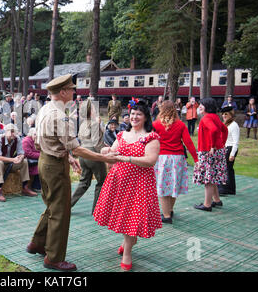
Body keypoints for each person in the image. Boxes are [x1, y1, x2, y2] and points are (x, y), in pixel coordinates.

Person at [27, 74, 121, 272]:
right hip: (54, 166)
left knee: (52, 206)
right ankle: (53, 258)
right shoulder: (60, 115)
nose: (74, 92)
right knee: (61, 212)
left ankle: (37, 242)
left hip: (46, 160)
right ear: (62, 92)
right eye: (71, 89)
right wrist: (105, 159)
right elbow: (76, 148)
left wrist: (67, 157)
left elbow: (41, 141)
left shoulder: (44, 109)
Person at [93, 100, 162, 271]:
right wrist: (106, 151)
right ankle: (128, 242)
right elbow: (113, 151)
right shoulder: (122, 135)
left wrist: (126, 159)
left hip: (140, 184)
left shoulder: (151, 137)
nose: (134, 117)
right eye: (132, 113)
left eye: (138, 114)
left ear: (145, 117)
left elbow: (150, 161)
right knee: (124, 218)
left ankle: (127, 252)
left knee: (134, 218)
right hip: (119, 183)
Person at [152, 101, 198, 223]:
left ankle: (166, 215)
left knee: (162, 187)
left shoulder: (156, 124)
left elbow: (150, 141)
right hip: (178, 158)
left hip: (162, 158)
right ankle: (170, 210)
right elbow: (188, 143)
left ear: (162, 110)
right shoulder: (181, 125)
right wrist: (196, 159)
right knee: (174, 186)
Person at [70, 100, 107, 214]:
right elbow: (96, 143)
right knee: (102, 182)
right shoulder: (94, 124)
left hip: (83, 155)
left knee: (84, 182)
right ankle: (96, 210)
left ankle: (68, 204)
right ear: (91, 111)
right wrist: (105, 153)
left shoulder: (82, 124)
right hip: (93, 155)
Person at [192, 98, 228, 212]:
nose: (199, 107)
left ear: (207, 106)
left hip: (208, 151)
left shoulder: (206, 118)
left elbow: (213, 130)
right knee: (213, 176)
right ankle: (217, 200)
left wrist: (212, 145)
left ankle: (207, 204)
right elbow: (224, 129)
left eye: (201, 105)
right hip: (217, 151)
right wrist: (222, 143)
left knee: (209, 179)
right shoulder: (215, 117)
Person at [0, 123, 37, 202]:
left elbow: (22, 153)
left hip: (8, 164)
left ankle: (25, 187)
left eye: (14, 132)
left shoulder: (17, 138)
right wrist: (13, 160)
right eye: (11, 132)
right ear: (6, 132)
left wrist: (20, 158)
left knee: (24, 161)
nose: (12, 134)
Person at [219, 106, 240, 195]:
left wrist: (232, 154)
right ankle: (230, 188)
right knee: (228, 169)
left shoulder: (234, 125)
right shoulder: (226, 124)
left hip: (231, 148)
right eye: (223, 114)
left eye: (226, 114)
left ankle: (227, 188)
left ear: (231, 115)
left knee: (227, 169)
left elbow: (236, 142)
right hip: (226, 148)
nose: (224, 116)